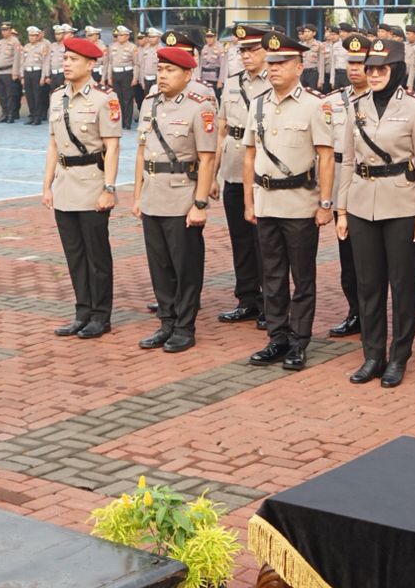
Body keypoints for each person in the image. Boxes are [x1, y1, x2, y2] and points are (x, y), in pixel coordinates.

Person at [335, 39, 415, 388]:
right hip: (362, 203)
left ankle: (399, 356)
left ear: (397, 71)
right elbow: (347, 160)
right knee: (368, 285)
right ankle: (372, 354)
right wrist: (342, 209)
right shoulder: (355, 106)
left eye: (382, 69)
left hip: (403, 205)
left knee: (403, 285)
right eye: (370, 68)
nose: (374, 74)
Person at [242, 30, 336, 372]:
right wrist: (250, 202)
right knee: (272, 277)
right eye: (272, 62)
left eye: (282, 63)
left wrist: (325, 204)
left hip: (300, 203)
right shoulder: (259, 104)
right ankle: (277, 338)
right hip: (266, 201)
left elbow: (326, 157)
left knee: (303, 278)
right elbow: (249, 156)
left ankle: (299, 341)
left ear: (299, 66)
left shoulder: (315, 105)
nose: (274, 68)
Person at [132, 30, 217, 353]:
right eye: (161, 69)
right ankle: (166, 321)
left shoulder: (200, 106)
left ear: (187, 73)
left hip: (182, 195)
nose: (162, 76)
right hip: (153, 193)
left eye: (170, 70)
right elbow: (142, 151)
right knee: (160, 265)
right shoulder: (150, 103)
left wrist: (200, 202)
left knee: (185, 265)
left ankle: (184, 326)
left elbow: (207, 158)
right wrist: (137, 194)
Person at [42, 33, 123, 339]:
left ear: (90, 64)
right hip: (64, 184)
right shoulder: (56, 97)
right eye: (65, 58)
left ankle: (101, 315)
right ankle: (82, 311)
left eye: (73, 59)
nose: (66, 64)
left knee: (96, 256)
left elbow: (112, 147)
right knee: (74, 255)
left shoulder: (104, 98)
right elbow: (52, 145)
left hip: (92, 183)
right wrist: (47, 185)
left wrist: (109, 188)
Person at [215, 24, 268, 326]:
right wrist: (213, 175)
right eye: (243, 51)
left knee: (263, 241)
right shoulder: (232, 83)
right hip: (234, 168)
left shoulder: (272, 82)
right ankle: (246, 297)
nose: (246, 56)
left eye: (252, 50)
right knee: (240, 238)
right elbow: (222, 127)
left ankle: (268, 302)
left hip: (261, 170)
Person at [324, 31, 371, 338]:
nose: (354, 69)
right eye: (350, 63)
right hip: (342, 180)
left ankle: (371, 316)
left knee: (371, 260)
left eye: (361, 63)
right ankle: (355, 312)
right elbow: (324, 153)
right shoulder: (332, 102)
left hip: (369, 183)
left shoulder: (381, 101)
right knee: (348, 258)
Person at [109, 26, 139, 129]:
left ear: (127, 36)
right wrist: (109, 77)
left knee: (127, 99)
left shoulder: (132, 47)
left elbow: (136, 64)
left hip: (127, 74)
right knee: (117, 100)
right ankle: (119, 123)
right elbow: (110, 63)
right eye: (118, 35)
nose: (119, 37)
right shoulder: (112, 46)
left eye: (122, 35)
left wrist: (135, 78)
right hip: (115, 74)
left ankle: (127, 123)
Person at [0, 22, 22, 123]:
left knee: (10, 95)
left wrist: (15, 73)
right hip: (0, 72)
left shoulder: (15, 42)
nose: (4, 32)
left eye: (6, 30)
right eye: (2, 30)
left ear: (10, 30)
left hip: (9, 71)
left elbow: (17, 58)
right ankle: (4, 113)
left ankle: (11, 114)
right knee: (2, 95)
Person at [21, 26, 49, 124]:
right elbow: (22, 62)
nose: (31, 37)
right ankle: (32, 115)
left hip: (37, 72)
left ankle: (38, 117)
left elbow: (45, 62)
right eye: (30, 36)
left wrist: (43, 77)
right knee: (29, 95)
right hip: (27, 72)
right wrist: (22, 76)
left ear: (37, 36)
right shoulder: (26, 47)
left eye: (34, 36)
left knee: (37, 96)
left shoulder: (42, 46)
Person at [298, 23, 324, 92]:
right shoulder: (301, 45)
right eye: (305, 32)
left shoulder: (319, 45)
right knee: (302, 94)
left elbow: (321, 63)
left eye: (308, 32)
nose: (306, 34)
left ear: (314, 33)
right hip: (302, 73)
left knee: (313, 94)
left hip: (313, 74)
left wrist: (320, 80)